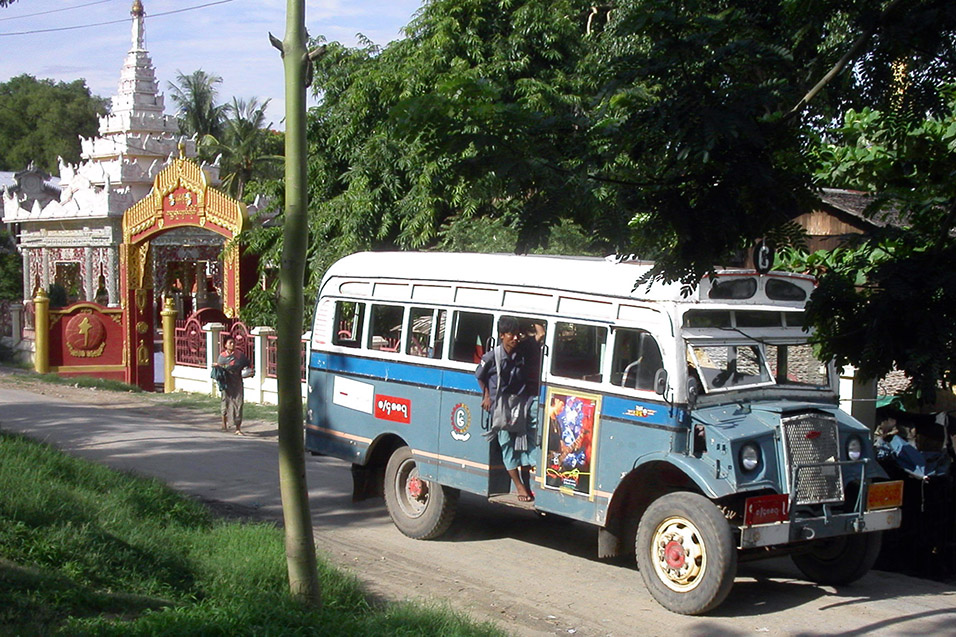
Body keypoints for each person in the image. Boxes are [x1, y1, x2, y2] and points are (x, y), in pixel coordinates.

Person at [476, 316, 545, 502]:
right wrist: (486, 395)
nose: (515, 338)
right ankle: (519, 486)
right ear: (501, 336)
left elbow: (541, 333)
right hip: (501, 406)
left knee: (527, 441)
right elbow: (479, 376)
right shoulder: (492, 357)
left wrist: (530, 315)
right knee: (507, 445)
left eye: (517, 334)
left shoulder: (522, 350)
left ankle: (531, 480)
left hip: (520, 403)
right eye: (511, 335)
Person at [213, 336, 251, 435]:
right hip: (226, 382)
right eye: (230, 343)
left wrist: (248, 372)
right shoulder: (222, 357)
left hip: (237, 382)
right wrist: (218, 366)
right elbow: (220, 370)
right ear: (225, 345)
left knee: (239, 403)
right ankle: (224, 423)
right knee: (226, 402)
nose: (232, 345)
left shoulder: (240, 355)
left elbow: (247, 364)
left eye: (233, 343)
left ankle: (238, 428)